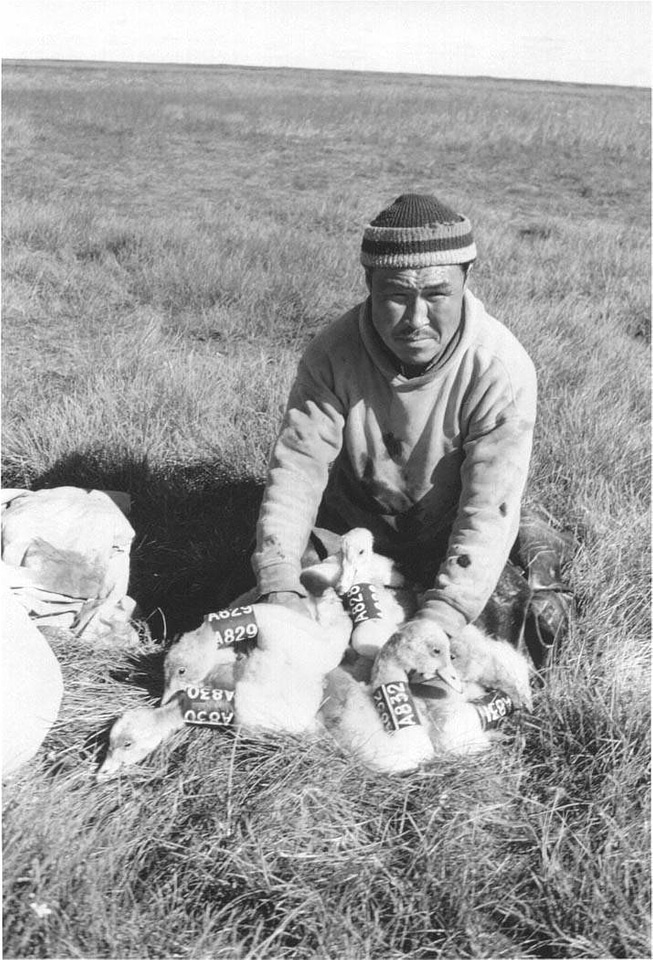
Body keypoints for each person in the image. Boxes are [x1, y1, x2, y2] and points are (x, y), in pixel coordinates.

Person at [245, 193, 572, 669]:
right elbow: (298, 467)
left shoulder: (499, 367)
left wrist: (440, 618)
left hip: (452, 526)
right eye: (397, 296)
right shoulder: (332, 353)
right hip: (354, 524)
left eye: (437, 296)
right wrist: (278, 583)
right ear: (369, 286)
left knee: (531, 625)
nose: (417, 321)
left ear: (466, 282)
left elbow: (487, 507)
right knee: (262, 604)